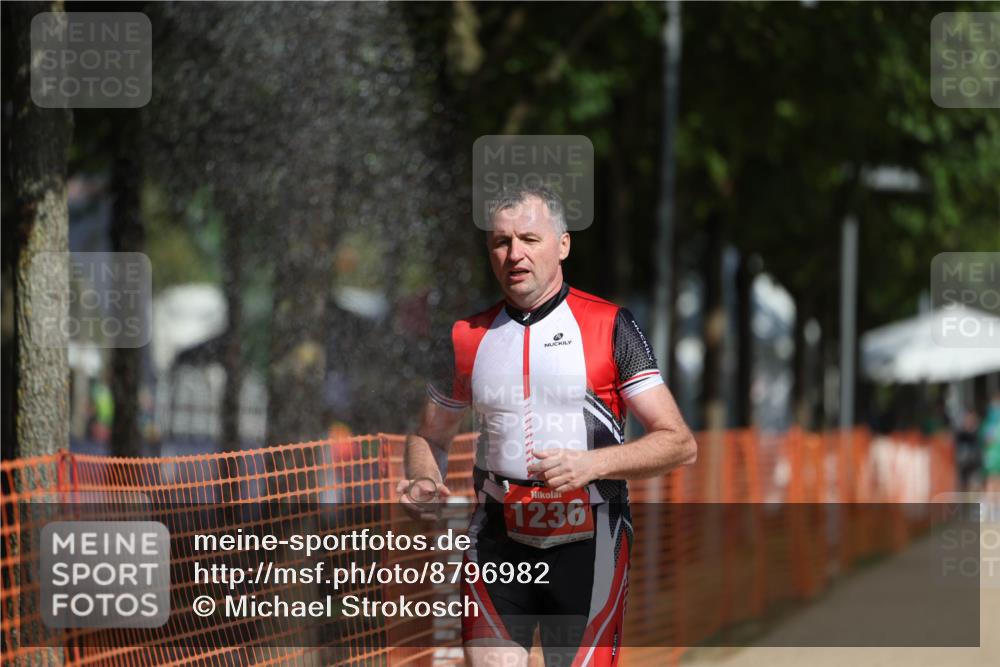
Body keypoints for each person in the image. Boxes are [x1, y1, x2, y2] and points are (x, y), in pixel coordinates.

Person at [397, 185, 697, 667]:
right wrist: (424, 481)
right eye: (501, 242)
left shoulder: (610, 325)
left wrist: (591, 464)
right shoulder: (464, 337)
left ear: (563, 244)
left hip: (589, 542)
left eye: (529, 239)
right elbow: (429, 436)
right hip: (495, 540)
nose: (514, 254)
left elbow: (678, 443)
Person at [954, 409, 981, 492]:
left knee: (974, 488)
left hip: (974, 466)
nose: (969, 422)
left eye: (972, 419)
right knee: (962, 489)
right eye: (967, 419)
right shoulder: (960, 434)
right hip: (962, 466)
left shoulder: (978, 433)